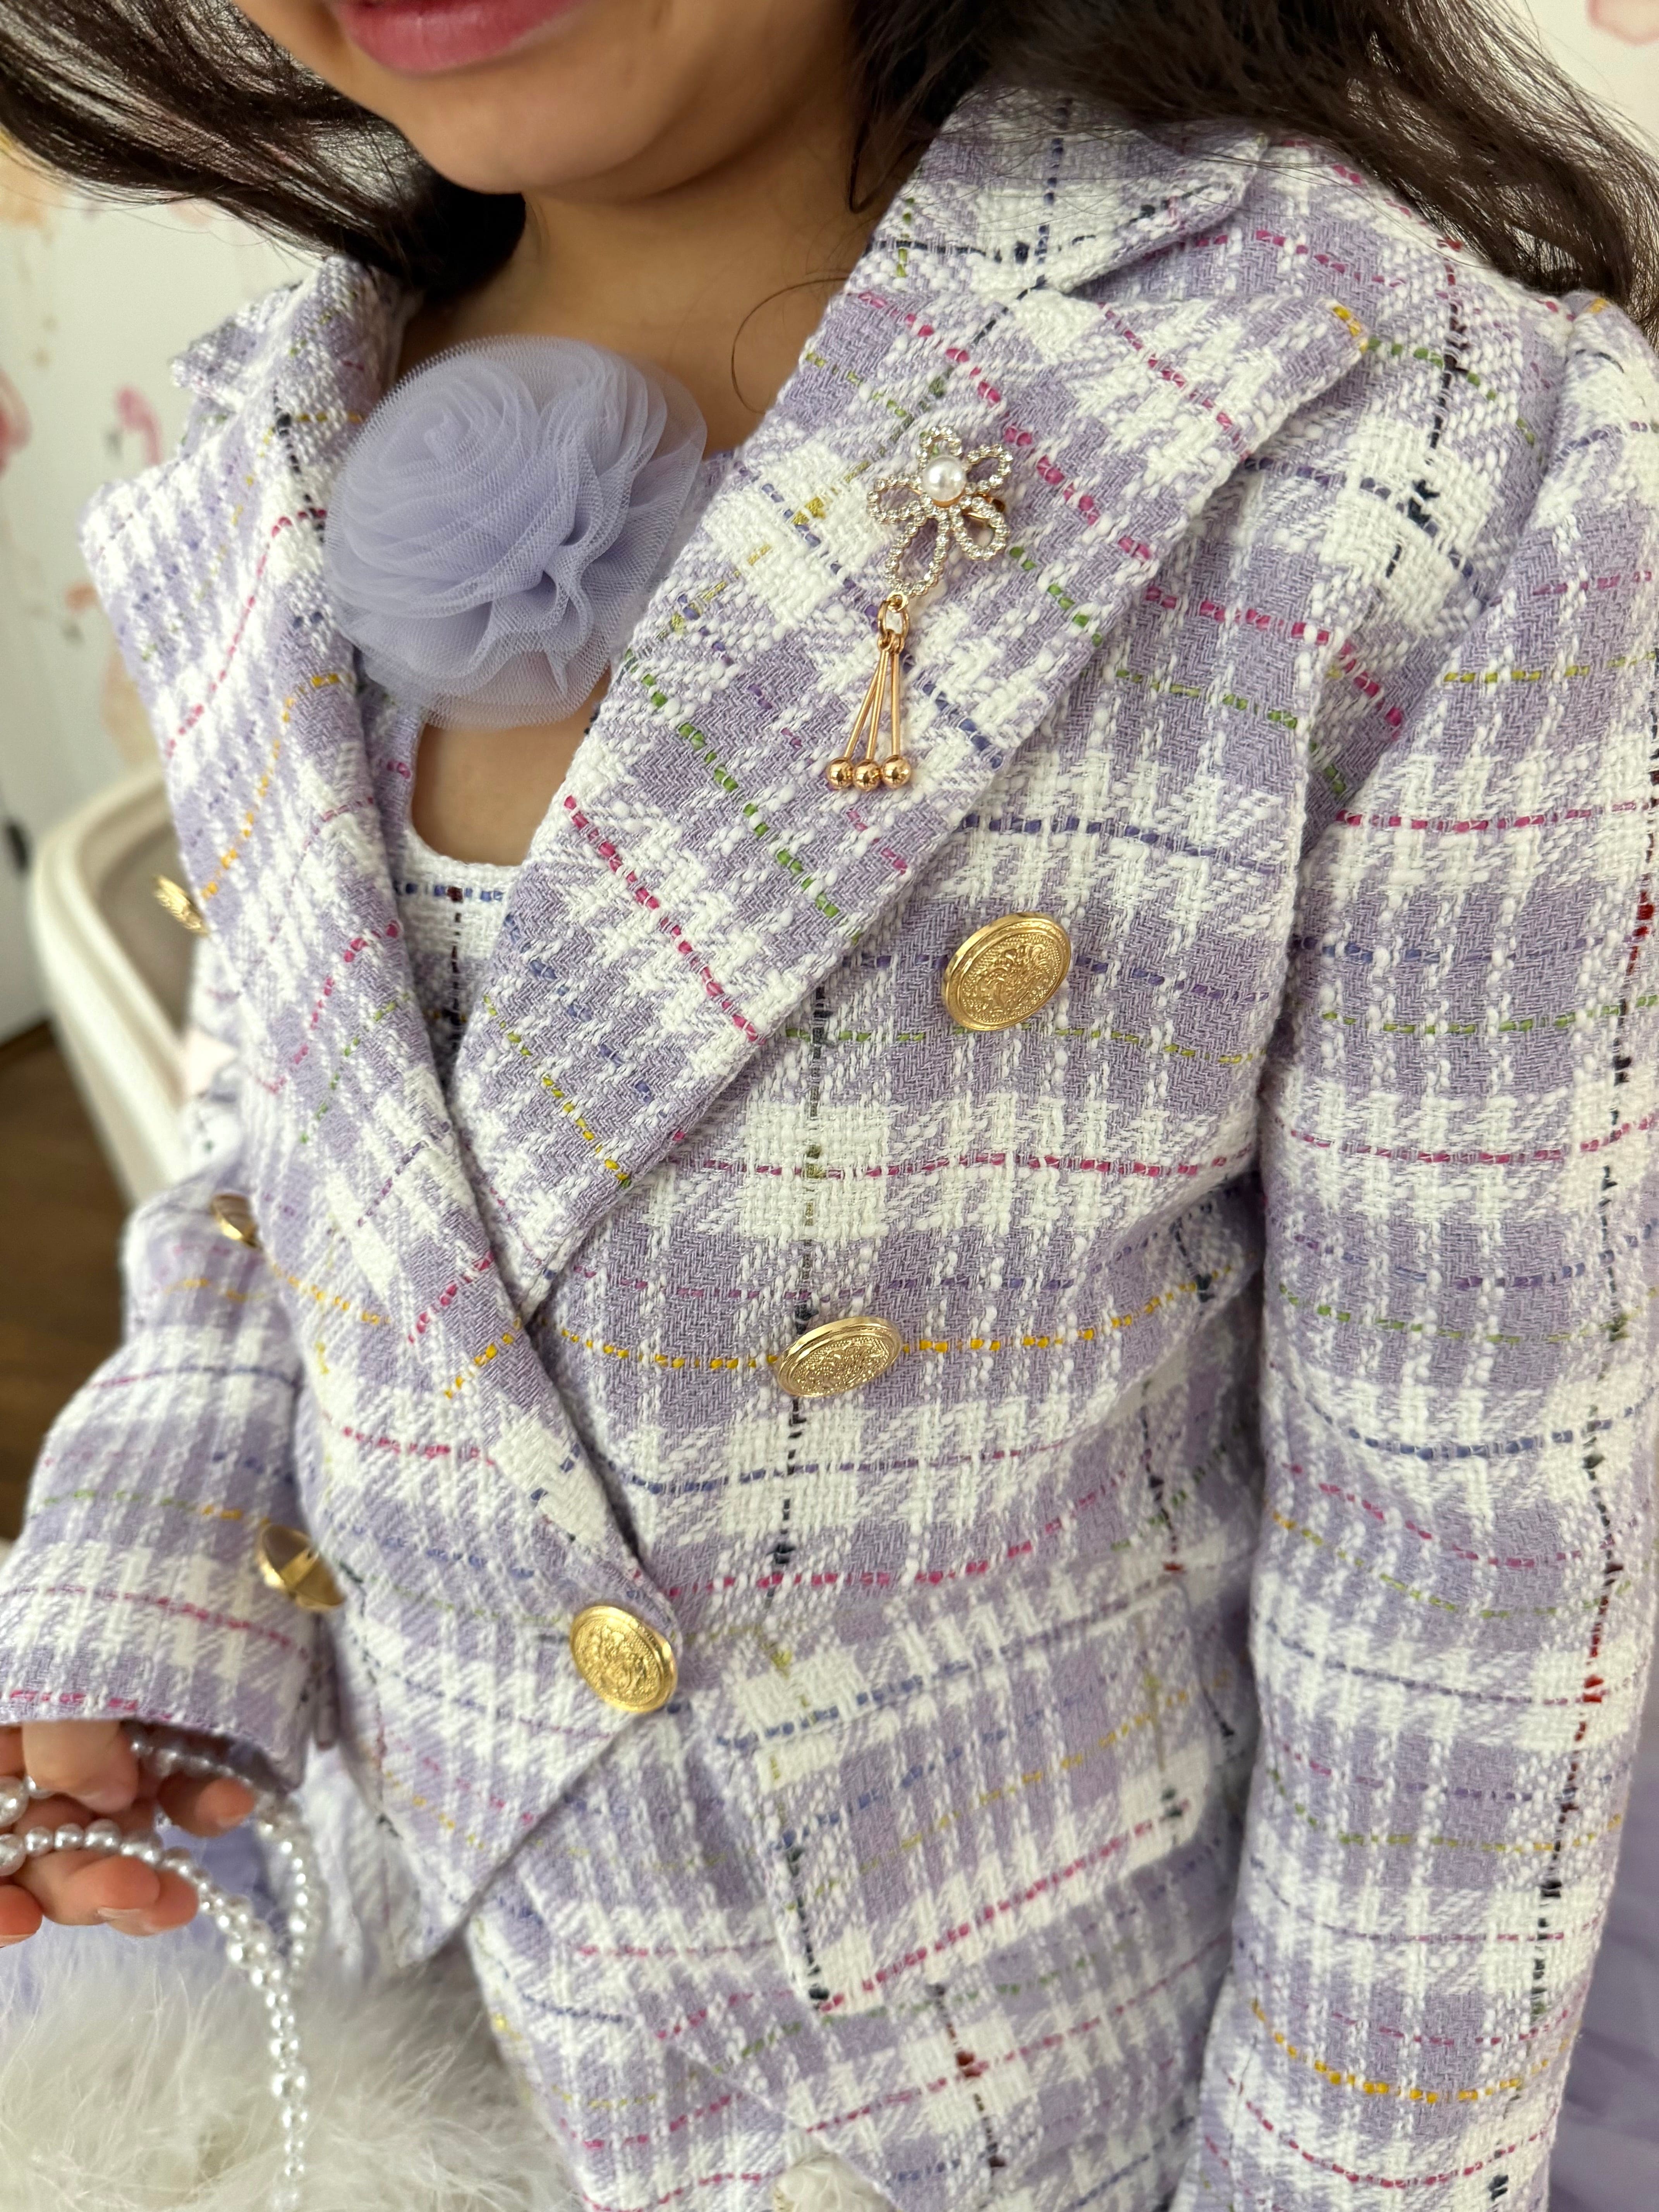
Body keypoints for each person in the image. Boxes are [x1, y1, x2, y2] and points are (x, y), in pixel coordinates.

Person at [2, 1, 1658, 2206]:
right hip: (432, 1984)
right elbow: (296, 1158)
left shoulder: (1404, 443)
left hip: (1005, 2091)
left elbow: (1462, 1555)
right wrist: (161, 1564)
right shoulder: (282, 429)